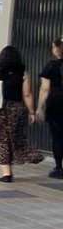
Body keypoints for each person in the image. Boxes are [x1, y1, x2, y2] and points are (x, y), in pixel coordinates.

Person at [0, 44, 42, 182]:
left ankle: (6, 174)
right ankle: (29, 155)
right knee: (13, 138)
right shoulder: (23, 72)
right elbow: (27, 94)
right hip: (16, 110)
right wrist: (31, 112)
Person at [37, 38, 63, 179]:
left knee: (57, 137)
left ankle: (59, 168)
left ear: (55, 49)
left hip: (56, 104)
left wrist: (39, 107)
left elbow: (45, 89)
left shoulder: (50, 66)